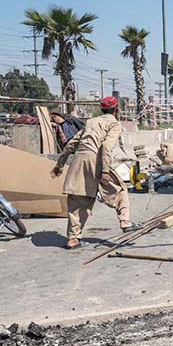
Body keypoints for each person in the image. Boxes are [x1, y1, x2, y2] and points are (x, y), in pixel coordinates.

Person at [51, 96, 138, 249]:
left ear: (101, 109)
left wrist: (59, 165)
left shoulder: (91, 122)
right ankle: (125, 221)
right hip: (95, 161)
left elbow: (71, 144)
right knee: (120, 190)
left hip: (78, 162)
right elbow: (105, 147)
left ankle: (73, 239)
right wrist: (104, 171)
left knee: (77, 201)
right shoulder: (114, 124)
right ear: (116, 110)